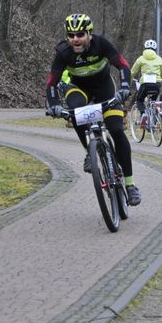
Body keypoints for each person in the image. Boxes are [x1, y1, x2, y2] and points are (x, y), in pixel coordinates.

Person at [45, 13, 141, 206]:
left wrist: (124, 88)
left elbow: (122, 65)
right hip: (79, 89)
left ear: (89, 33)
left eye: (80, 34)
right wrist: (54, 104)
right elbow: (52, 82)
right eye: (71, 35)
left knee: (116, 130)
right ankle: (90, 152)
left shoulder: (101, 44)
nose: (75, 40)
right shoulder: (64, 52)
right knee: (76, 111)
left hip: (105, 88)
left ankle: (130, 185)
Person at [131, 39, 162, 127]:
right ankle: (155, 120)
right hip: (156, 84)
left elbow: (133, 71)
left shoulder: (141, 58)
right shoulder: (159, 59)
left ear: (145, 48)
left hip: (145, 84)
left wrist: (129, 79)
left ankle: (143, 114)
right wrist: (161, 78)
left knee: (139, 100)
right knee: (153, 101)